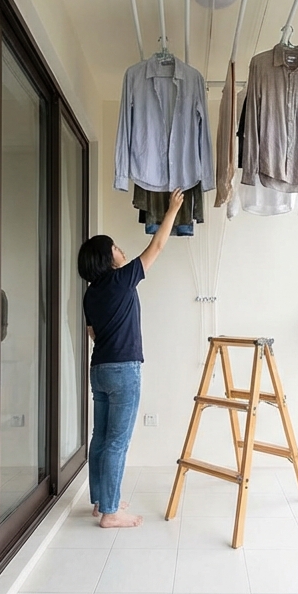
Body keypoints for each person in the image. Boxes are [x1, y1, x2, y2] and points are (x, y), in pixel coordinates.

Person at [77, 188, 184, 529]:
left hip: (100, 369)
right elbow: (157, 246)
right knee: (117, 441)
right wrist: (172, 211)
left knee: (100, 437)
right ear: (108, 257)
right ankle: (110, 511)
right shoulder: (123, 280)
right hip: (124, 370)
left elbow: (93, 334)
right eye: (117, 247)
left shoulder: (91, 294)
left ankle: (100, 501)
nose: (122, 250)